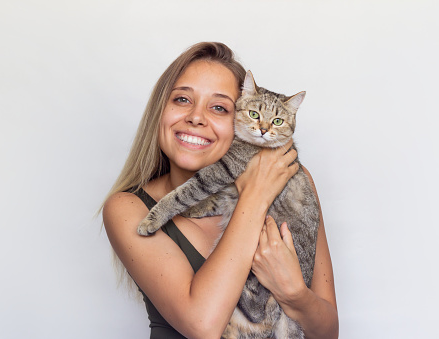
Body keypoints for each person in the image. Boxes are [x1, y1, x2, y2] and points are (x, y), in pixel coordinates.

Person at [102, 42, 338, 339]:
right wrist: (256, 194)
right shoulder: (128, 208)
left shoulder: (296, 180)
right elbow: (204, 326)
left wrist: (293, 294)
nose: (196, 117)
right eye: (182, 99)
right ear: (159, 111)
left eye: (218, 107)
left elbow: (328, 333)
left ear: (235, 118)